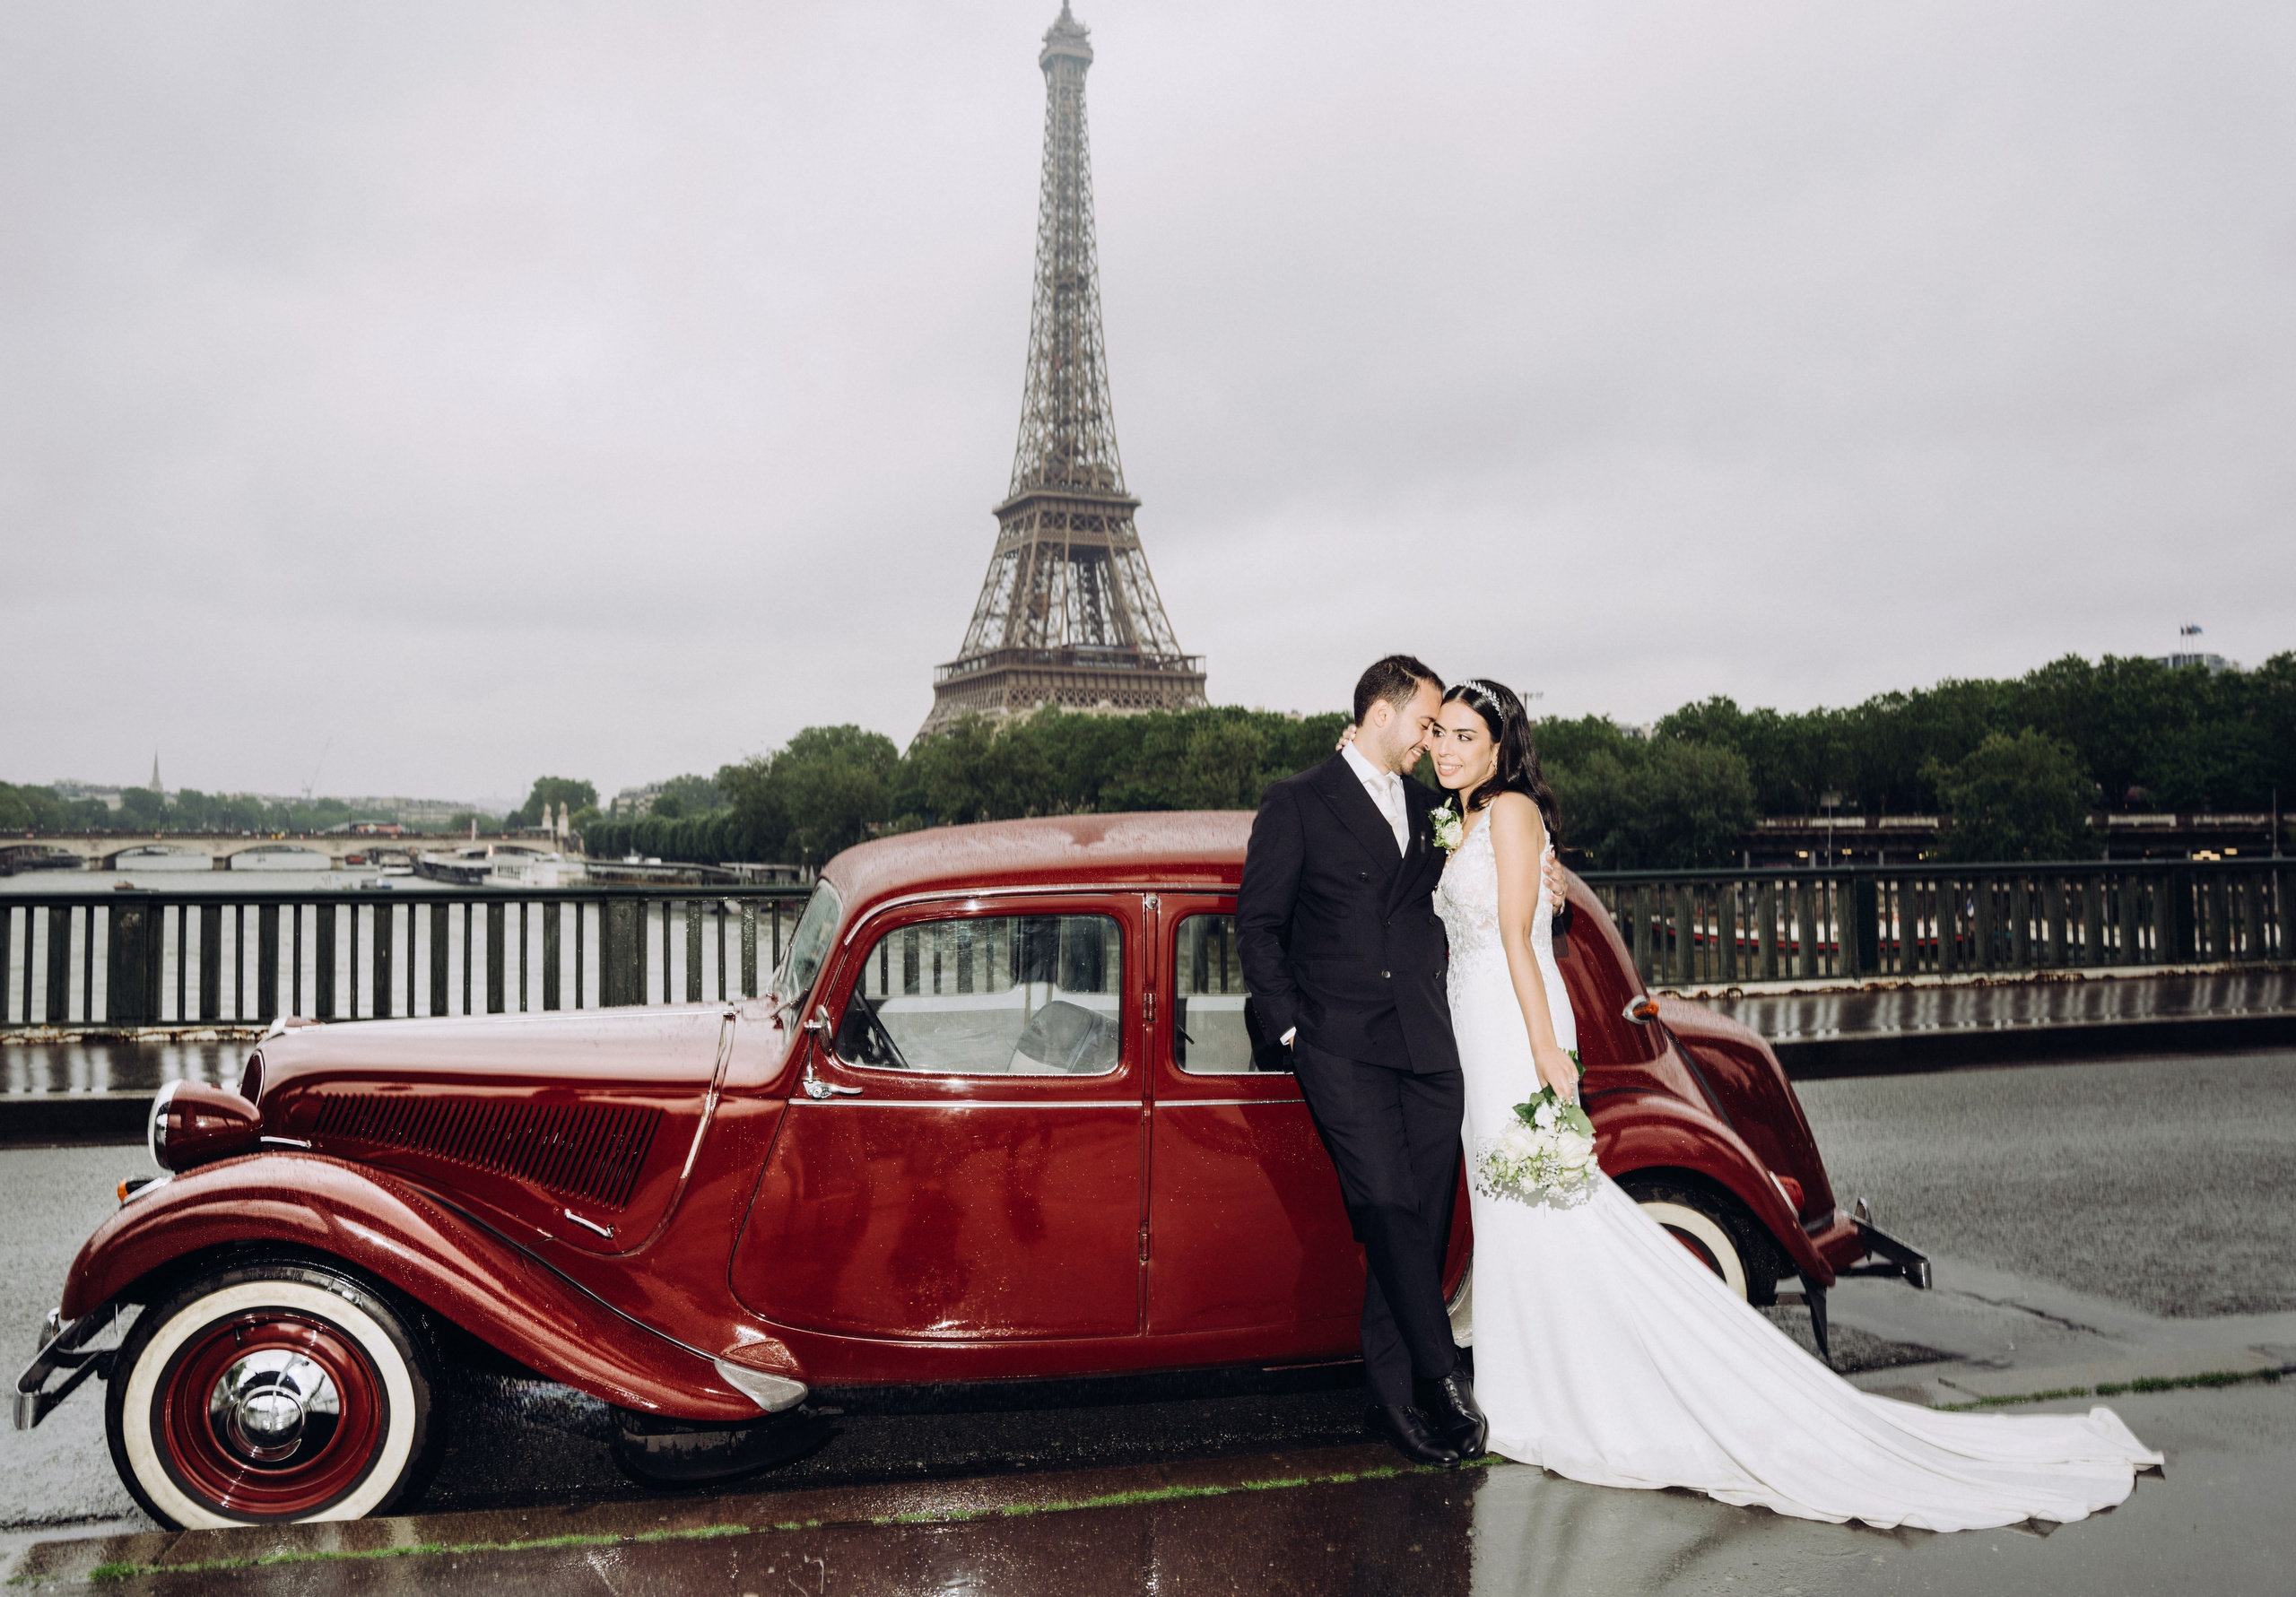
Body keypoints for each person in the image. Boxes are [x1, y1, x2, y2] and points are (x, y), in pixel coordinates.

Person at [1428, 676, 2163, 1530]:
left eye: (1465, 737)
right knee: (1512, 1204)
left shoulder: (1511, 811)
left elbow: (1517, 938)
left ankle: (1555, 1392)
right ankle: (1532, 1381)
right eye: (1440, 733)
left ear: (1500, 749)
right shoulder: (1466, 816)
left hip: (1515, 1028)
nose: (1446, 748)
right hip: (1478, 1027)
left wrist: (1547, 1049)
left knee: (1546, 1199)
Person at [1236, 654, 1563, 1467]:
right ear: (1381, 715)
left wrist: (1553, 882)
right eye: (1424, 724)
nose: (1431, 742)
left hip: (1430, 1044)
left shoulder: (1435, 811)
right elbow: (1257, 925)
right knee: (1384, 1206)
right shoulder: (1297, 802)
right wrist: (1289, 1034)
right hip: (1341, 1048)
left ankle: (1393, 1394)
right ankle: (1442, 1374)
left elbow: (1494, 892)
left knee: (1412, 1227)